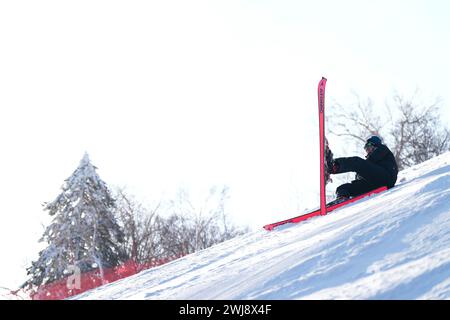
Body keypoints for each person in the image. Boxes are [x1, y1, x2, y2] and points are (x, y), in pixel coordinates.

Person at [329, 135, 398, 199]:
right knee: (343, 188)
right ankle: (342, 196)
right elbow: (368, 168)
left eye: (368, 147)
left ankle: (334, 166)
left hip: (386, 179)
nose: (367, 150)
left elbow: (366, 163)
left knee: (357, 161)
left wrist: (362, 168)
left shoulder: (382, 149)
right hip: (375, 183)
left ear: (376, 146)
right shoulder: (372, 159)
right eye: (366, 148)